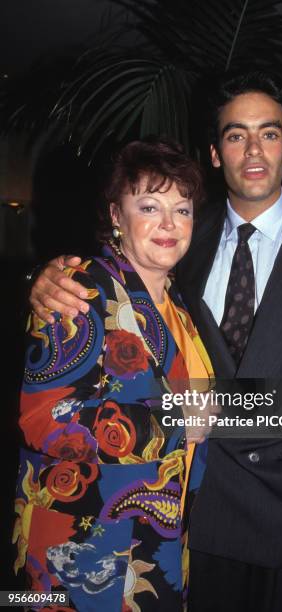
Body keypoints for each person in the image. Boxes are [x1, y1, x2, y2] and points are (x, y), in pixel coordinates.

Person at [29, 71, 282, 612]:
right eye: (235, 135)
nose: (253, 149)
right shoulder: (181, 244)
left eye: (269, 134)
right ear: (216, 153)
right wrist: (53, 276)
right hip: (187, 521)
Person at [13, 138, 213, 611]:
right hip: (86, 550)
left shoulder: (180, 308)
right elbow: (44, 418)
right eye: (149, 205)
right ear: (116, 215)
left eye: (182, 209)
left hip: (158, 544)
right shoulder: (80, 289)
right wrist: (172, 423)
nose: (169, 223)